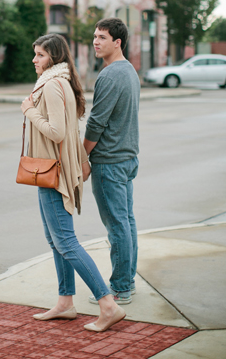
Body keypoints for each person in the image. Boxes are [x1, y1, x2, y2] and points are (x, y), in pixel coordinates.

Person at [20, 33, 126, 332]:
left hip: (53, 173)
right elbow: (69, 128)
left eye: (39, 55)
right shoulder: (59, 82)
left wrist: (28, 110)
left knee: (65, 241)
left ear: (52, 58)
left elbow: (55, 132)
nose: (34, 60)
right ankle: (65, 302)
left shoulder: (52, 85)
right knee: (57, 241)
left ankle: (107, 304)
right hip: (53, 170)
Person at [84, 18, 140, 306]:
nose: (96, 41)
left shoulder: (109, 76)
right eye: (95, 36)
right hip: (128, 159)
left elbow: (96, 124)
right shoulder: (129, 71)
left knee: (118, 226)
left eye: (102, 37)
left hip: (110, 163)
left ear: (117, 42)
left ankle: (120, 288)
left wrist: (82, 156)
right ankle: (127, 281)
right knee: (126, 223)